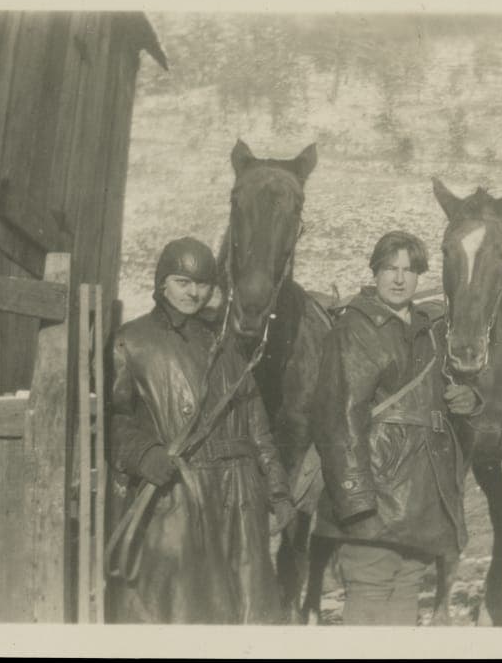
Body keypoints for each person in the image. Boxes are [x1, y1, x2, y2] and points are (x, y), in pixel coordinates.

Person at [108, 236, 295, 624]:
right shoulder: (132, 340)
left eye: (203, 284)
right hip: (178, 495)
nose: (193, 293)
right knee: (180, 614)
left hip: (239, 497)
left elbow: (257, 424)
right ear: (162, 282)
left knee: (247, 618)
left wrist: (277, 489)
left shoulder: (225, 343)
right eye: (183, 282)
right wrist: (143, 454)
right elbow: (114, 420)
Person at [311, 231, 478, 626]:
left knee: (405, 595)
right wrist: (356, 500)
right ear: (374, 272)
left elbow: (437, 394)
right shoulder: (354, 329)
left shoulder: (428, 329)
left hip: (419, 501)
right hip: (375, 499)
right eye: (390, 269)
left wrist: (469, 399)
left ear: (419, 276)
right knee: (370, 596)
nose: (399, 279)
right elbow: (338, 419)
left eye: (409, 270)